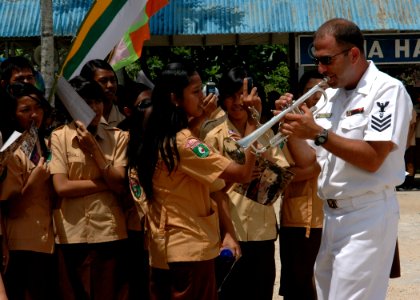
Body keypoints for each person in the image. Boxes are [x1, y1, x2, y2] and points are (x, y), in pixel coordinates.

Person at [277, 18, 412, 300]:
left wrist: (318, 133)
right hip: (331, 216)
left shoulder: (386, 90)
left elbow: (374, 157)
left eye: (327, 60)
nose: (321, 69)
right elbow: (309, 162)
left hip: (366, 214)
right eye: (318, 61)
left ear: (353, 54)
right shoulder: (331, 98)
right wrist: (290, 127)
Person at [129, 62, 259, 300]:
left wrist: (202, 117)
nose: (205, 96)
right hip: (190, 252)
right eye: (196, 91)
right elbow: (242, 174)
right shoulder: (183, 143)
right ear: (175, 98)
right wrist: (253, 121)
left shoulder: (158, 137)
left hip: (164, 252)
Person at [201, 66, 295, 300]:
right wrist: (239, 176)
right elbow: (212, 189)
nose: (238, 102)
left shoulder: (264, 133)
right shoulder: (214, 136)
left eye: (242, 96)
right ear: (222, 98)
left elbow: (279, 173)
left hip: (262, 232)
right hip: (230, 232)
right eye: (231, 96)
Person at [49, 77, 129, 300]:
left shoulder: (118, 137)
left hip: (109, 232)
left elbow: (121, 184)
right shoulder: (59, 137)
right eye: (86, 103)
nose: (94, 109)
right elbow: (61, 187)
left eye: (98, 102)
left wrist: (94, 149)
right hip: (71, 234)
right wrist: (106, 183)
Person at [0, 83, 57, 300]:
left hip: (49, 243)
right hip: (21, 245)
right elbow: (10, 208)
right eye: (25, 110)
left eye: (38, 107)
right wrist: (34, 183)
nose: (34, 115)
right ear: (13, 114)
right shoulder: (10, 151)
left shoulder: (48, 143)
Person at [278, 70, 324, 300]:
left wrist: (309, 169)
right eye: (309, 92)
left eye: (321, 91)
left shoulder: (336, 120)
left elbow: (315, 167)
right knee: (298, 287)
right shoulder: (286, 125)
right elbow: (276, 171)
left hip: (329, 218)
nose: (316, 98)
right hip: (296, 218)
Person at [117, 81, 153, 300]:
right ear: (128, 111)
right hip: (133, 231)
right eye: (145, 104)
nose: (151, 108)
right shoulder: (121, 138)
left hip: (160, 230)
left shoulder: (163, 137)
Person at [79, 59, 125, 127]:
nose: (110, 85)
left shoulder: (125, 114)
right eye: (103, 81)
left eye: (113, 80)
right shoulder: (79, 120)